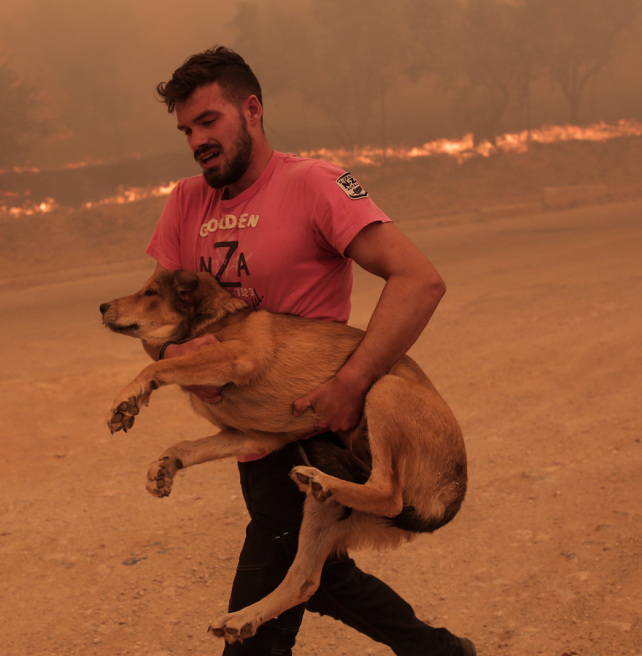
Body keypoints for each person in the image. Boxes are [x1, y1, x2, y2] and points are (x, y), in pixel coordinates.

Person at [145, 46, 475, 656]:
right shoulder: (185, 202)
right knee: (319, 575)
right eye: (186, 129)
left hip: (311, 426)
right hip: (247, 432)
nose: (196, 141)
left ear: (252, 110)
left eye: (208, 121)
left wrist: (352, 384)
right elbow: (155, 314)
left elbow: (419, 280)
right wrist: (180, 369)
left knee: (269, 579)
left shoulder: (317, 184)